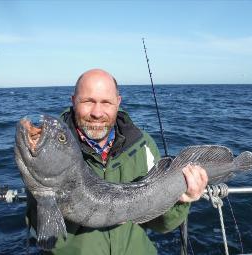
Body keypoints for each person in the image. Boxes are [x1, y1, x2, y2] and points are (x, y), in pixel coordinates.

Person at [27, 69, 208, 255]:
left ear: (118, 103)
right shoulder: (50, 150)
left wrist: (181, 200)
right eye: (88, 101)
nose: (97, 113)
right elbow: (47, 238)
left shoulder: (142, 145)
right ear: (73, 101)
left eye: (106, 102)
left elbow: (161, 224)